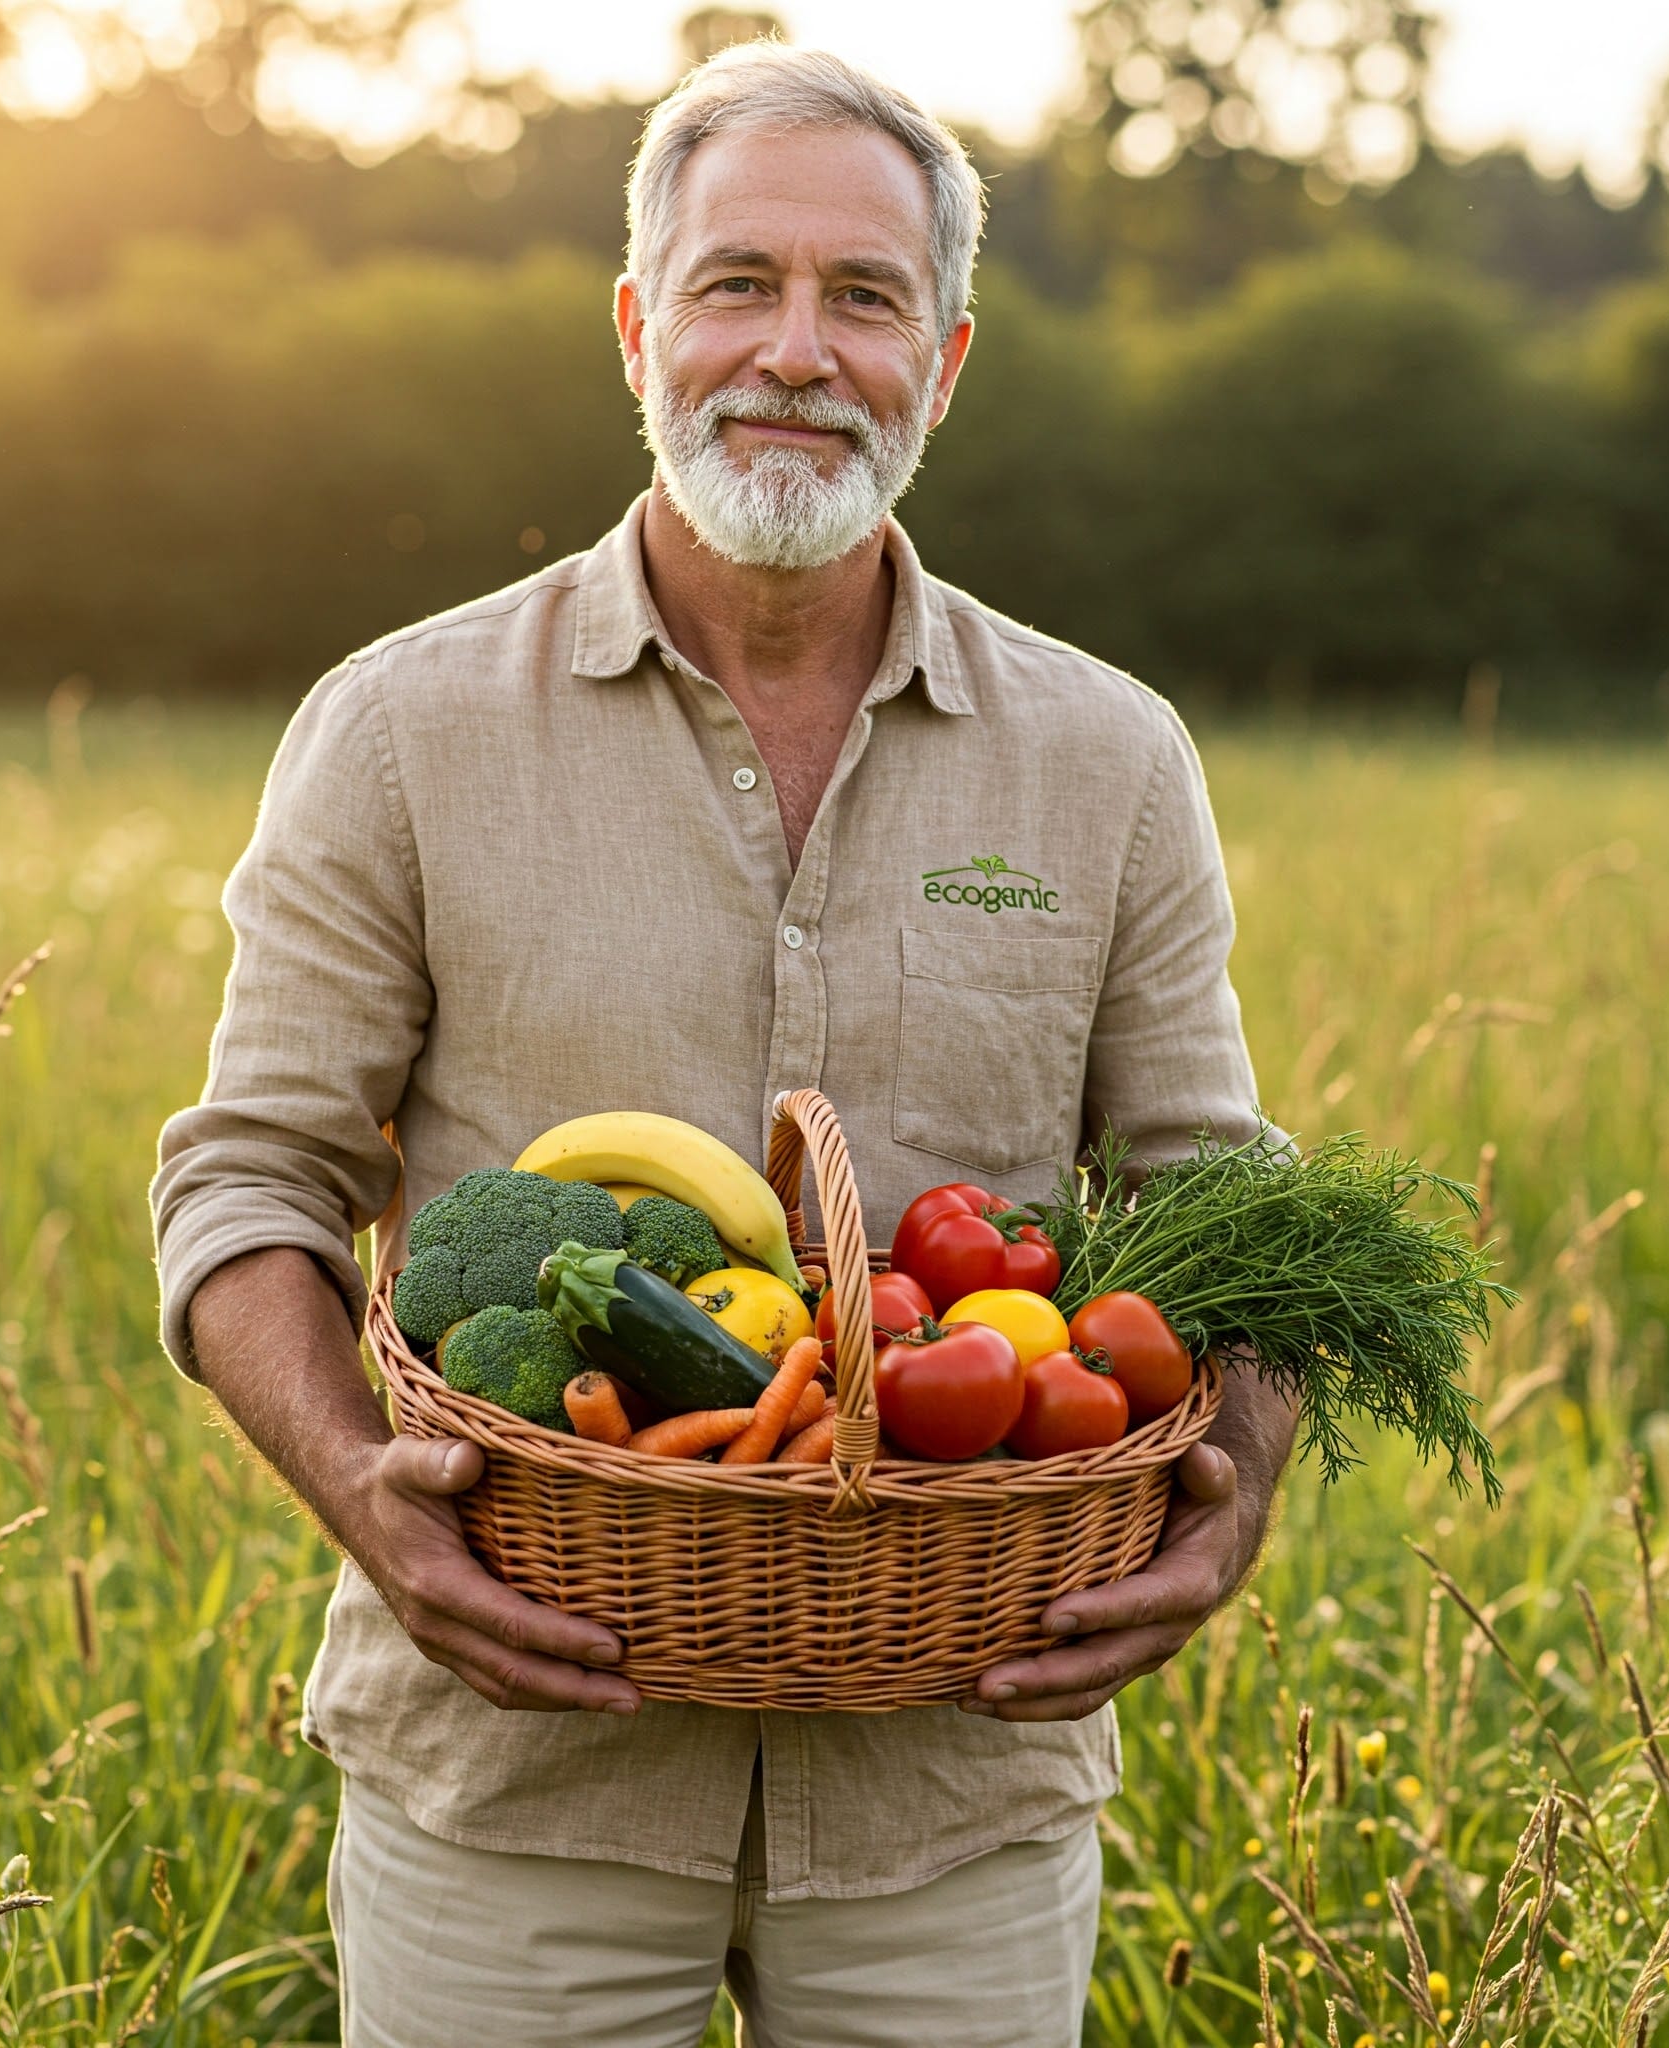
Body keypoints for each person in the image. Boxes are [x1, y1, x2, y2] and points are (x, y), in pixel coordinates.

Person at [152, 38, 1295, 2048]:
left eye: (861, 298)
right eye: (734, 283)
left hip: (960, 1763)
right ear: (635, 327)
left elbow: (1218, 1196)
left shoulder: (1108, 760)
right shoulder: (402, 730)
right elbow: (245, 1182)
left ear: (941, 358)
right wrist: (357, 1488)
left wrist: (1242, 1483)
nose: (793, 350)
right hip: (512, 1758)